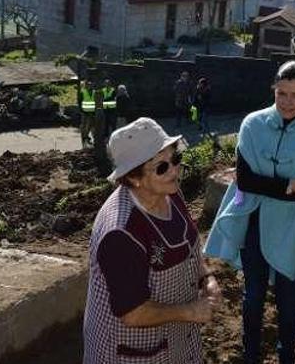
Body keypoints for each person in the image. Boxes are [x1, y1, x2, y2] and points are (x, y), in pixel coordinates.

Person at [204, 61, 295, 364]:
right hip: (255, 224)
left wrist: (273, 186)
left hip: (292, 229)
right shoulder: (253, 123)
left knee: (289, 302)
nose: (287, 102)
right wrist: (289, 184)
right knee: (254, 296)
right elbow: (246, 181)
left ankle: (286, 355)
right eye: (281, 93)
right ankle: (250, 355)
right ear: (273, 90)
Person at [83, 118, 219, 363]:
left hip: (177, 338)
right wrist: (191, 311)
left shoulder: (170, 193)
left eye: (175, 159)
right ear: (133, 177)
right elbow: (132, 313)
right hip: (134, 352)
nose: (175, 170)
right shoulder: (120, 234)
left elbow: (189, 247)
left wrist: (205, 277)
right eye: (161, 167)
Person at [79, 79, 96, 147]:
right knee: (86, 127)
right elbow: (80, 102)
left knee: (93, 127)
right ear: (87, 86)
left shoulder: (94, 92)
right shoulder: (83, 92)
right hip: (85, 113)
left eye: (91, 85)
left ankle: (93, 139)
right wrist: (81, 110)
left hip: (92, 112)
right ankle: (85, 139)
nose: (90, 86)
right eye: (88, 85)